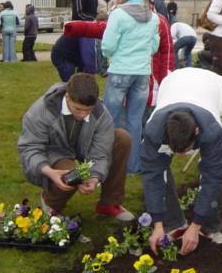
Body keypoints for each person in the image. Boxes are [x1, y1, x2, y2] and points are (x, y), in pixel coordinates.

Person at [17, 73, 135, 221]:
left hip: (83, 146)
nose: (83, 114)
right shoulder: (42, 110)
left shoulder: (101, 113)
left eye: (88, 110)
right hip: (53, 152)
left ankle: (109, 203)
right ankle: (51, 203)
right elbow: (30, 148)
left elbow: (101, 154)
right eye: (78, 109)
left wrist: (95, 177)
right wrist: (49, 171)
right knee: (72, 173)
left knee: (122, 139)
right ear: (67, 97)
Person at [142, 68, 222, 256]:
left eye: (186, 150)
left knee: (212, 170)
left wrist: (195, 225)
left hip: (214, 87)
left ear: (197, 131)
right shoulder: (153, 131)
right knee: (158, 169)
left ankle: (209, 226)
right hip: (173, 83)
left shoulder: (211, 131)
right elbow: (152, 175)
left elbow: (213, 177)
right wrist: (157, 223)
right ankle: (172, 223)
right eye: (176, 151)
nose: (180, 156)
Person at [102, 0, 160, 174]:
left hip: (120, 71)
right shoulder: (153, 16)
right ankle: (132, 166)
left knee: (111, 120)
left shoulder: (118, 14)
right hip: (142, 73)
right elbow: (154, 46)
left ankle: (111, 164)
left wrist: (110, 55)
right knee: (135, 121)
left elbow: (108, 45)